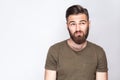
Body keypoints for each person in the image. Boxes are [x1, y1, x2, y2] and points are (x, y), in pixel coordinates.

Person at [44, 4, 108, 80]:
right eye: (73, 24)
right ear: (67, 26)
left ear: (89, 24)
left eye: (82, 23)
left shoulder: (99, 52)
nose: (78, 29)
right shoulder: (54, 51)